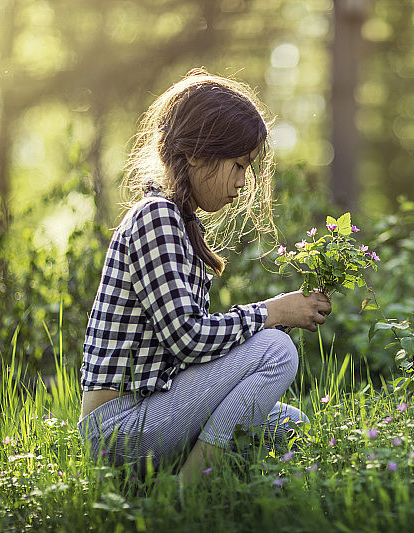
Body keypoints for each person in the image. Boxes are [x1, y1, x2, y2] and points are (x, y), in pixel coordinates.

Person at [77, 68, 331, 484]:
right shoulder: (156, 217)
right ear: (196, 153)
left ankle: (203, 482)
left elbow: (184, 352)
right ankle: (186, 492)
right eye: (238, 165)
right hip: (119, 430)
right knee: (276, 350)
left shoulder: (178, 222)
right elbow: (189, 339)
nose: (242, 183)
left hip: (154, 411)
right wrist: (274, 312)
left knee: (289, 426)